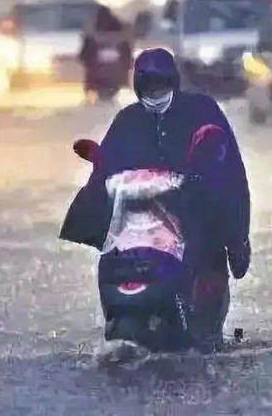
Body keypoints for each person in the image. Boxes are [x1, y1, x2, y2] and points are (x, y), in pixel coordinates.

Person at [60, 48, 251, 350]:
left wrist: (237, 237)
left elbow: (230, 175)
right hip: (139, 230)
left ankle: (209, 338)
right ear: (137, 88)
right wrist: (91, 206)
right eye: (148, 88)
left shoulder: (202, 110)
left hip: (195, 225)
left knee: (209, 286)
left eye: (161, 87)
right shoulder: (128, 119)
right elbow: (108, 166)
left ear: (174, 83)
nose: (155, 94)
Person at [78, 5, 132, 99]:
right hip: (115, 77)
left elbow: (83, 56)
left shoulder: (92, 37)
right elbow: (128, 56)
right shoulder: (121, 37)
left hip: (97, 78)